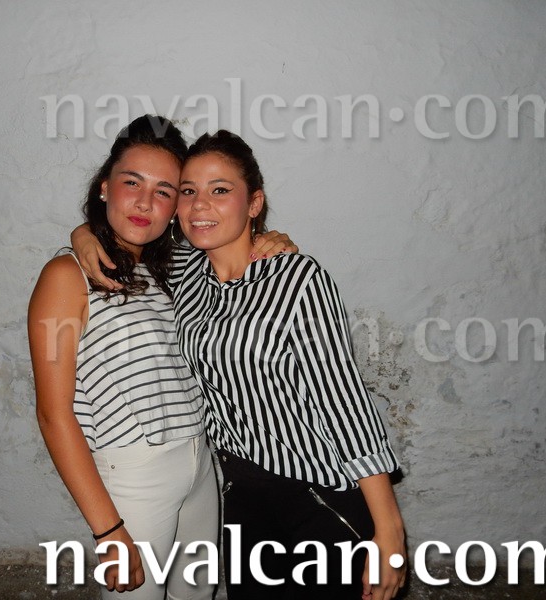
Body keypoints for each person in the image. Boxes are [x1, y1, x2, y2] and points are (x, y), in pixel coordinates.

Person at [74, 130, 407, 599]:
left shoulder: (296, 279)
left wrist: (388, 528)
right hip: (238, 496)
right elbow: (129, 231)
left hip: (315, 495)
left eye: (220, 190)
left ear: (254, 203)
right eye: (188, 191)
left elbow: (344, 403)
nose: (200, 205)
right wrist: (83, 234)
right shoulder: (185, 272)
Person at [29, 115, 294, 600]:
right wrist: (109, 530)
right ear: (104, 186)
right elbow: (53, 413)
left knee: (199, 595)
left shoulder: (172, 269)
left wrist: (269, 239)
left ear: (175, 207)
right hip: (134, 475)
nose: (145, 202)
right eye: (132, 182)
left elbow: (232, 245)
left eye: (165, 191)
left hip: (201, 467)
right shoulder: (65, 277)